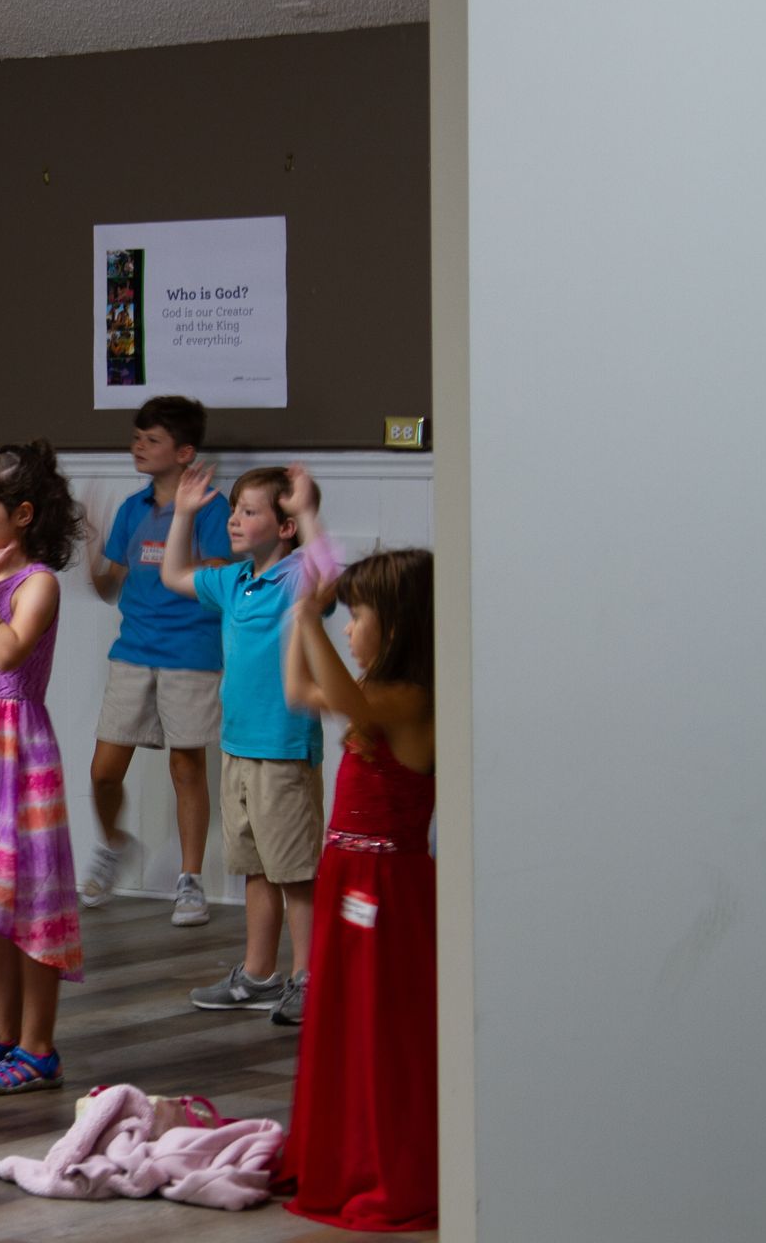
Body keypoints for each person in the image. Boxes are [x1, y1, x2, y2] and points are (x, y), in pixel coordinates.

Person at [276, 520, 438, 1231]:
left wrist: (311, 616)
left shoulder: (412, 699)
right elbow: (297, 689)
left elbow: (346, 702)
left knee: (381, 1028)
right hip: (346, 871)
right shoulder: (376, 688)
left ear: (396, 624)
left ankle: (382, 1161)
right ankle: (337, 1153)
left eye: (357, 615)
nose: (348, 629)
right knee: (341, 1021)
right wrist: (300, 616)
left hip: (388, 884)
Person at [159, 464, 325, 1026]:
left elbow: (328, 574)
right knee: (255, 866)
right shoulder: (233, 581)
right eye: (233, 509)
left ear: (285, 526)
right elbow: (174, 574)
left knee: (294, 872)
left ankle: (309, 979)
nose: (234, 519)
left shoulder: (298, 577)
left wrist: (307, 511)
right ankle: (259, 974)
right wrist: (184, 514)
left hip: (283, 750)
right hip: (238, 748)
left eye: (249, 511)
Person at [0, 442, 85, 1095]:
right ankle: (2, 1032)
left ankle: (39, 1047)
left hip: (21, 748)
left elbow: (8, 652)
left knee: (31, 899)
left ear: (23, 514)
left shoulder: (37, 582)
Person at [80, 396, 232, 925]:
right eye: (136, 437)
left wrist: (179, 532)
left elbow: (217, 575)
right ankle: (114, 843)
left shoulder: (213, 508)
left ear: (185, 452)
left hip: (191, 652)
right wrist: (91, 546)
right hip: (133, 651)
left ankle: (190, 881)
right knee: (103, 772)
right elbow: (108, 586)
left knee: (186, 766)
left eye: (152, 440)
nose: (138, 446)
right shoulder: (132, 508)